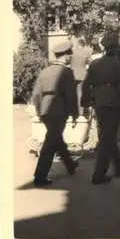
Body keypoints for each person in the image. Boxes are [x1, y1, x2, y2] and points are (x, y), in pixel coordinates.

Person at [81, 32, 120, 185]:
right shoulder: (119, 65)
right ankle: (98, 175)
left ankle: (119, 165)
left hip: (99, 102)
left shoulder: (95, 64)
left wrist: (86, 104)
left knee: (108, 134)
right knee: (107, 138)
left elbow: (86, 85)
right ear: (115, 48)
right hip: (113, 102)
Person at [31, 40, 79, 187]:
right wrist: (75, 113)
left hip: (45, 110)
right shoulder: (67, 72)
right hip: (59, 109)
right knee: (50, 142)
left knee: (55, 137)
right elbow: (71, 95)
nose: (70, 57)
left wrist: (39, 111)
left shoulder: (44, 72)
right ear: (65, 55)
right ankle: (40, 177)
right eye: (69, 55)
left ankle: (70, 165)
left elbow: (36, 94)